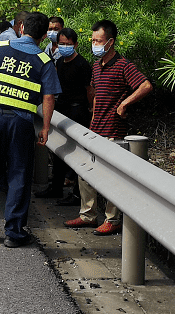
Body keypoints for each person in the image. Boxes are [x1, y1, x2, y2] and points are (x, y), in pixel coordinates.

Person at [0, 12, 61, 247]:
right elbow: (48, 97)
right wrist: (44, 127)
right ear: (44, 36)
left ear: (21, 28)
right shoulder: (44, 61)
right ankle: (14, 232)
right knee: (18, 175)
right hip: (21, 124)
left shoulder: (0, 48)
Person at [64, 19, 152, 235]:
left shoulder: (124, 65)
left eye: (99, 40)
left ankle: (112, 220)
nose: (95, 44)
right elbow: (94, 91)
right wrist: (92, 110)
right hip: (95, 128)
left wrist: (124, 104)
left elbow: (146, 85)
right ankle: (88, 215)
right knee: (84, 172)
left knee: (112, 177)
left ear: (110, 42)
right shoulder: (97, 65)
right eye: (93, 40)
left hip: (114, 130)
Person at [40, 27, 92, 203]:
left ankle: (77, 193)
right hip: (62, 108)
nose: (64, 47)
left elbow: (89, 90)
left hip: (78, 110)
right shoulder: (60, 62)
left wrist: (91, 110)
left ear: (75, 44)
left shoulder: (82, 64)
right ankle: (56, 187)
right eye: (61, 44)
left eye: (68, 44)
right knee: (58, 150)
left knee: (77, 153)